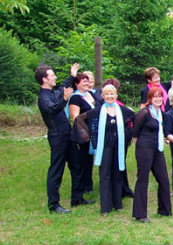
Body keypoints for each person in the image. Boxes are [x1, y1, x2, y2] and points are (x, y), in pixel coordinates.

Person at [74, 85, 134, 215]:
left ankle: (117, 203)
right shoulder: (97, 111)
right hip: (105, 147)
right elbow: (79, 119)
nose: (110, 96)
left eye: (112, 94)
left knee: (118, 174)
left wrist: (129, 134)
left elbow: (134, 119)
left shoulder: (123, 111)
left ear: (116, 95)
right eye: (107, 94)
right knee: (105, 175)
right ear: (103, 96)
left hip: (119, 147)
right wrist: (88, 134)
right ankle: (106, 206)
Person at [37, 63, 79, 214]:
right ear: (44, 79)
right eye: (52, 75)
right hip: (57, 138)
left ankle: (77, 198)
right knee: (56, 170)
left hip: (67, 135)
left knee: (75, 165)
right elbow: (52, 109)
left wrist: (73, 75)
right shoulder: (43, 98)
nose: (55, 77)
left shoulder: (53, 92)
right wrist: (64, 99)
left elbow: (64, 86)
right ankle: (53, 204)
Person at [132, 88, 171, 222]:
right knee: (143, 180)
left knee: (164, 179)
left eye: (160, 96)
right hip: (145, 149)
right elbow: (135, 134)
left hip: (157, 150)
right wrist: (140, 149)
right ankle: (140, 214)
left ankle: (164, 210)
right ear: (150, 98)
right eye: (155, 97)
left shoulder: (161, 113)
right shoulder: (144, 112)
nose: (158, 99)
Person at [66, 72, 98, 207]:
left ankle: (83, 191)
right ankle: (76, 198)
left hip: (91, 134)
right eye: (83, 81)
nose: (87, 83)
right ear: (76, 84)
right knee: (78, 166)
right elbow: (76, 118)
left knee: (87, 163)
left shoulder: (90, 95)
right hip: (81, 136)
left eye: (87, 80)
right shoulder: (75, 98)